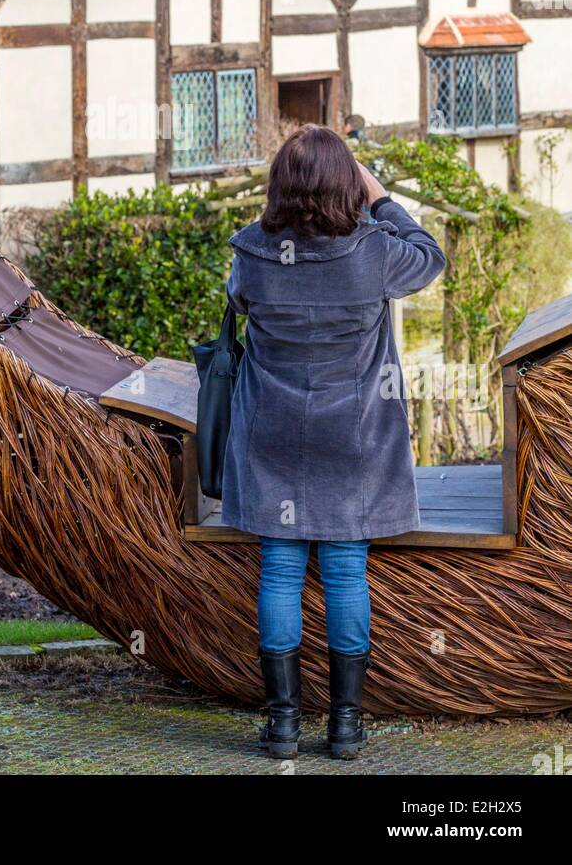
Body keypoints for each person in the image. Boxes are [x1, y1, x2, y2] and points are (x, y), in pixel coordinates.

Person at [222, 124, 445, 760]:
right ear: (348, 183)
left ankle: (284, 724)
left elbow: (238, 303)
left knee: (280, 571)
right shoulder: (374, 253)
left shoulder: (252, 254)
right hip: (355, 440)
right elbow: (429, 254)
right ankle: (345, 726)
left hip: (275, 437)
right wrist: (378, 196)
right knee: (347, 571)